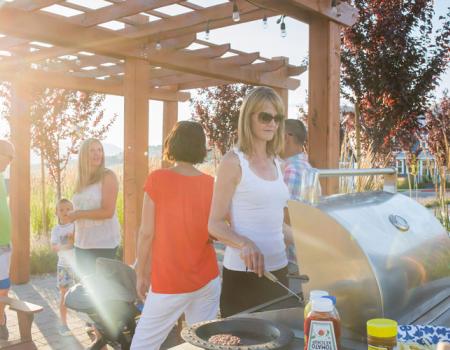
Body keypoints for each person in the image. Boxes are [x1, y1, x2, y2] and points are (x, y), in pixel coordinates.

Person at [131, 121, 220, 350]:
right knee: (201, 345)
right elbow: (218, 229)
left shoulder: (157, 179)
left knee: (142, 345)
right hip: (206, 279)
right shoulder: (211, 184)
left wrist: (140, 273)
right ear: (201, 148)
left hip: (169, 282)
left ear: (173, 144)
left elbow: (146, 233)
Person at [208, 86, 292, 318]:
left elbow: (278, 225)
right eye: (265, 117)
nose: (272, 124)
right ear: (248, 118)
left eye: (277, 118)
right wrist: (244, 243)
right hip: (243, 277)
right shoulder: (233, 162)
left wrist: (314, 243)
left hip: (279, 272)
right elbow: (214, 224)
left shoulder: (279, 163)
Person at [66, 138, 121, 350]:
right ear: (83, 155)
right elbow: (80, 213)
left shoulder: (108, 176)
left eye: (99, 150)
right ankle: (100, 336)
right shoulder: (81, 179)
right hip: (82, 244)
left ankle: (109, 336)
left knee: (102, 292)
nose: (97, 154)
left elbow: (107, 211)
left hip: (103, 243)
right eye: (92, 151)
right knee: (88, 293)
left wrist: (78, 214)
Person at [50, 198, 75, 336]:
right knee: (64, 294)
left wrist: (67, 245)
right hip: (63, 267)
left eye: (68, 209)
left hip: (78, 267)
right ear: (56, 213)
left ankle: (89, 323)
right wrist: (68, 245)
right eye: (62, 209)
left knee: (84, 292)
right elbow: (54, 247)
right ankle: (64, 325)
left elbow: (77, 242)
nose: (65, 212)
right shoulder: (56, 230)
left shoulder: (76, 226)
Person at [0, 140, 14, 341]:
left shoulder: (2, 177)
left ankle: (1, 318)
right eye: (8, 156)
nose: (10, 160)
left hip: (5, 242)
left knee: (4, 285)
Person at [283, 119, 313, 201]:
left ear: (285, 138)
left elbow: (286, 210)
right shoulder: (306, 167)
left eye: (275, 136)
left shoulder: (292, 171)